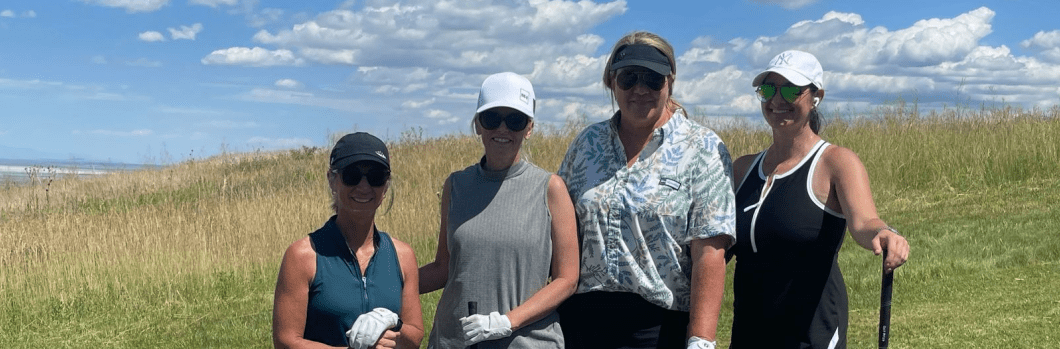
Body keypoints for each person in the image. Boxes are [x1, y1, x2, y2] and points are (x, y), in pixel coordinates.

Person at [556, 31, 735, 349]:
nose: (640, 89)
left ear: (670, 81)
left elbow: (710, 253)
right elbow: (558, 232)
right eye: (629, 78)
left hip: (658, 329)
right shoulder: (587, 143)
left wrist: (701, 340)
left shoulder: (703, 148)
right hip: (580, 322)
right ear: (612, 82)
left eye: (653, 79)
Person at [728, 50, 911, 348]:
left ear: (816, 96)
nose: (777, 100)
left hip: (812, 333)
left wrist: (885, 234)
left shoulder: (836, 162)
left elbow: (864, 222)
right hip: (750, 331)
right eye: (767, 89)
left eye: (790, 90)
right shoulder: (742, 168)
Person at [418, 72, 579, 348]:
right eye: (492, 119)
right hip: (455, 341)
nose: (502, 129)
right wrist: (385, 290)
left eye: (514, 121)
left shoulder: (550, 188)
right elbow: (444, 267)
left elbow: (567, 279)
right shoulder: (456, 185)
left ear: (529, 128)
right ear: (478, 125)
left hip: (527, 342)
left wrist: (508, 321)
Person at [272, 132, 424, 349]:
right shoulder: (303, 256)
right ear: (332, 180)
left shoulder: (402, 255)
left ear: (386, 186)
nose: (364, 186)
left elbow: (415, 334)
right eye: (352, 175)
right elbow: (286, 341)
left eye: (376, 176)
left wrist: (394, 324)